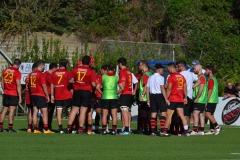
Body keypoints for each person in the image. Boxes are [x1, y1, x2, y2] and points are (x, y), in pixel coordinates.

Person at [67, 55, 96, 134]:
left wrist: (77, 82)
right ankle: (80, 129)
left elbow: (70, 80)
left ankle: (69, 127)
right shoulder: (91, 71)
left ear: (82, 61)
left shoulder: (75, 69)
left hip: (77, 91)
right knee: (83, 111)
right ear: (89, 62)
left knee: (74, 110)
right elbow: (93, 84)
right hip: (86, 91)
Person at [162, 62, 189, 137]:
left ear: (171, 67)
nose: (168, 70)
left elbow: (169, 89)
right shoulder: (182, 76)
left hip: (173, 99)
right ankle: (186, 131)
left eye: (168, 69)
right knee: (182, 116)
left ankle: (165, 131)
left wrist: (166, 99)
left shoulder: (171, 76)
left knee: (168, 115)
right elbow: (185, 88)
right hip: (180, 99)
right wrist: (185, 97)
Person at [29, 60, 54, 133]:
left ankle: (35, 129)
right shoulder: (41, 74)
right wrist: (47, 95)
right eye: (44, 66)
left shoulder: (31, 74)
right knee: (45, 111)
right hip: (40, 94)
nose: (44, 68)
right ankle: (46, 129)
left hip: (33, 94)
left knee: (35, 112)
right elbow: (44, 85)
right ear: (41, 66)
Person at [51, 59, 73, 134]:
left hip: (58, 95)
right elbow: (71, 82)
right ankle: (70, 127)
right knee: (70, 111)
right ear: (65, 64)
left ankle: (60, 128)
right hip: (67, 94)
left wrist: (52, 95)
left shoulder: (54, 73)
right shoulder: (68, 72)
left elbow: (52, 85)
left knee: (59, 112)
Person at [0, 59, 22, 132]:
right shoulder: (17, 72)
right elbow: (18, 85)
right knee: (11, 111)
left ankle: (0, 127)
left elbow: (2, 82)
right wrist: (20, 96)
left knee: (4, 110)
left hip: (6, 92)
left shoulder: (6, 70)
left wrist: (4, 89)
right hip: (13, 93)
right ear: (19, 65)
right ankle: (10, 128)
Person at [96, 64, 119, 135]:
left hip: (105, 97)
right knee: (114, 114)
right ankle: (114, 130)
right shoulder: (116, 77)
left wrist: (102, 93)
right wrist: (117, 93)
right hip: (114, 97)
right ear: (114, 69)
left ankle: (103, 130)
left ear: (108, 69)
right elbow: (122, 87)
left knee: (104, 115)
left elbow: (97, 87)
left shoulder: (103, 76)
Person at [146, 64, 168, 136]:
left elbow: (147, 89)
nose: (162, 70)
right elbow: (162, 88)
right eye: (162, 69)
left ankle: (152, 131)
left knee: (153, 113)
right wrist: (166, 99)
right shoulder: (161, 77)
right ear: (159, 70)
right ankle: (162, 130)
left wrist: (148, 99)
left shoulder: (150, 77)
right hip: (159, 96)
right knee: (163, 112)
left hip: (152, 96)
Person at [39, 62, 58, 130]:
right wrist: (52, 96)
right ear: (54, 68)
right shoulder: (49, 75)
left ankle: (41, 126)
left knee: (44, 111)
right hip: (49, 94)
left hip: (44, 94)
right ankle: (47, 126)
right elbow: (52, 86)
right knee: (49, 112)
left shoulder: (44, 74)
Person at [117, 57, 133, 135]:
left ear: (120, 64)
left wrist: (118, 93)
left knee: (124, 111)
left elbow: (122, 85)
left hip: (125, 93)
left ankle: (126, 129)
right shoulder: (129, 72)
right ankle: (127, 128)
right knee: (126, 111)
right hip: (129, 93)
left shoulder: (123, 72)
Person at [176, 60, 194, 127]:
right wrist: (193, 86)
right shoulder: (191, 74)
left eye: (178, 66)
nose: (177, 68)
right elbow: (199, 80)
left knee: (183, 114)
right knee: (187, 114)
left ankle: (184, 130)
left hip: (184, 96)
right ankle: (187, 128)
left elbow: (181, 86)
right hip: (190, 95)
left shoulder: (180, 75)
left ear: (182, 66)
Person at [204, 65, 221, 135]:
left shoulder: (211, 79)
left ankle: (217, 127)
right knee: (211, 114)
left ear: (210, 71)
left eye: (206, 70)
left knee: (207, 114)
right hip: (214, 99)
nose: (205, 71)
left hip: (211, 100)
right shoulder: (215, 79)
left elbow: (210, 90)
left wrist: (206, 100)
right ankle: (212, 130)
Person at [191, 64, 207, 135]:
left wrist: (197, 97)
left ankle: (194, 130)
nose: (194, 70)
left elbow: (201, 89)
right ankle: (201, 130)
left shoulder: (202, 77)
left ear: (199, 69)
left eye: (194, 69)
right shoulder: (201, 77)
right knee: (200, 115)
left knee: (195, 113)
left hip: (200, 99)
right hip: (202, 100)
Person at [138, 60, 152, 134]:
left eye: (140, 65)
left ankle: (147, 129)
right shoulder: (150, 73)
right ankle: (150, 129)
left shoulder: (145, 75)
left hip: (144, 98)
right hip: (149, 97)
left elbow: (146, 86)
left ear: (144, 66)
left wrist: (143, 94)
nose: (139, 67)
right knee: (149, 114)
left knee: (144, 114)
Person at [25, 63, 37, 133]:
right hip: (32, 94)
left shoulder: (28, 76)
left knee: (30, 110)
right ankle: (33, 126)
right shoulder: (34, 75)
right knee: (33, 110)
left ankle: (29, 127)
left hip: (27, 94)